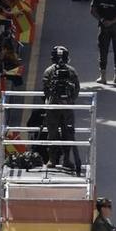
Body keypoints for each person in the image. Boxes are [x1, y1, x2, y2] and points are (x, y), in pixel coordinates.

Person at [41, 47, 82, 175]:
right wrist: (69, 100)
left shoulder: (48, 71)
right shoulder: (71, 71)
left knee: (55, 133)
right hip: (63, 108)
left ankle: (53, 160)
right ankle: (64, 160)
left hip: (54, 107)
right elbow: (76, 90)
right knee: (65, 133)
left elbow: (45, 91)